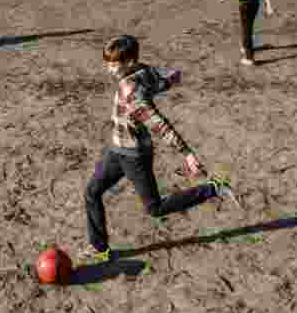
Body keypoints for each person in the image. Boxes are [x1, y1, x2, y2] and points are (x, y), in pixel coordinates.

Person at [84, 35, 237, 262]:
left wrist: (186, 153)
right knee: (92, 192)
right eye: (108, 63)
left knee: (155, 208)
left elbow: (160, 125)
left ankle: (213, 188)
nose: (109, 69)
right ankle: (99, 249)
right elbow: (165, 77)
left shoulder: (132, 93)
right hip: (116, 149)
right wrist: (170, 80)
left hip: (134, 156)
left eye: (114, 64)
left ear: (130, 61)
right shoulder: (143, 70)